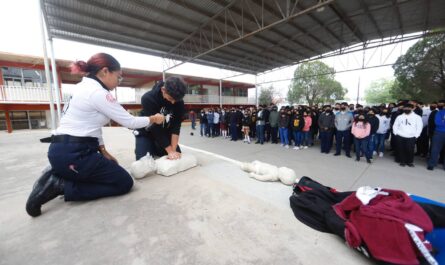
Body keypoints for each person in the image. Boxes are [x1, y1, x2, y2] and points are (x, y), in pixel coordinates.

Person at [25, 53, 165, 217]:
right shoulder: (98, 93)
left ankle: (61, 171)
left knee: (112, 171)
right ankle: (60, 184)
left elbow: (93, 126)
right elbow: (130, 122)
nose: (118, 83)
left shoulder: (82, 87)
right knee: (123, 183)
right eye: (118, 77)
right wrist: (153, 118)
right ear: (105, 71)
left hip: (64, 150)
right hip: (75, 154)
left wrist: (103, 151)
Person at [135, 76, 186, 160]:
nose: (173, 102)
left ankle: (157, 148)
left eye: (176, 100)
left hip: (164, 132)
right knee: (143, 161)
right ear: (163, 90)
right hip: (146, 132)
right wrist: (169, 151)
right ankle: (150, 146)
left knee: (176, 155)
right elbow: (155, 128)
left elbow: (176, 125)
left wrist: (173, 150)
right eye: (171, 99)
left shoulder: (178, 100)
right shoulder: (148, 98)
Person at [427, 99, 445, 170]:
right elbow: (438, 123)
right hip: (439, 133)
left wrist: (443, 121)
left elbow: (441, 123)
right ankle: (432, 164)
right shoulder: (440, 112)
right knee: (435, 149)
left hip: (440, 131)